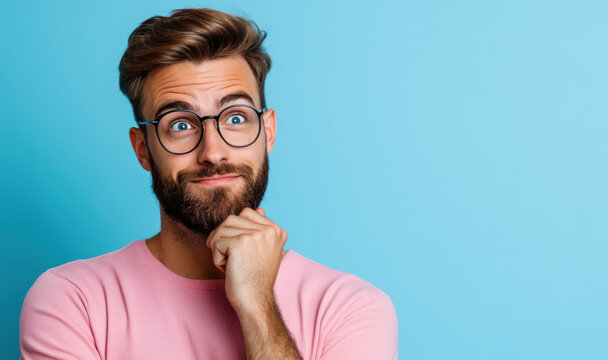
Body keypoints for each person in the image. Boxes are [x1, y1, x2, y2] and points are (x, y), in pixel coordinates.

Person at [18, 8, 398, 360]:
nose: (213, 152)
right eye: (180, 125)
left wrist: (256, 304)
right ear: (143, 150)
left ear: (267, 133)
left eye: (235, 117)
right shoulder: (73, 301)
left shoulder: (350, 308)